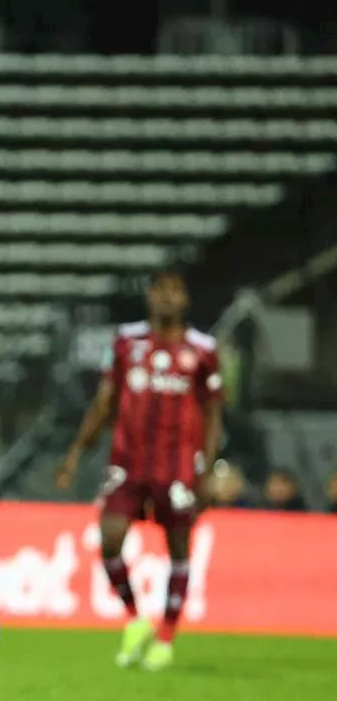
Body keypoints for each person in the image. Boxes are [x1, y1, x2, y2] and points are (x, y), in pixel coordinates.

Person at [56, 267, 223, 672]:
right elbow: (105, 401)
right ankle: (135, 618)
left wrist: (208, 468)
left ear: (185, 299)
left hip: (178, 467)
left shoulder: (203, 349)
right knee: (110, 538)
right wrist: (77, 451)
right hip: (128, 462)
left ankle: (165, 638)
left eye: (174, 290)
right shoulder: (126, 342)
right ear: (149, 297)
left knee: (179, 548)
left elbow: (214, 412)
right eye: (159, 290)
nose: (166, 298)